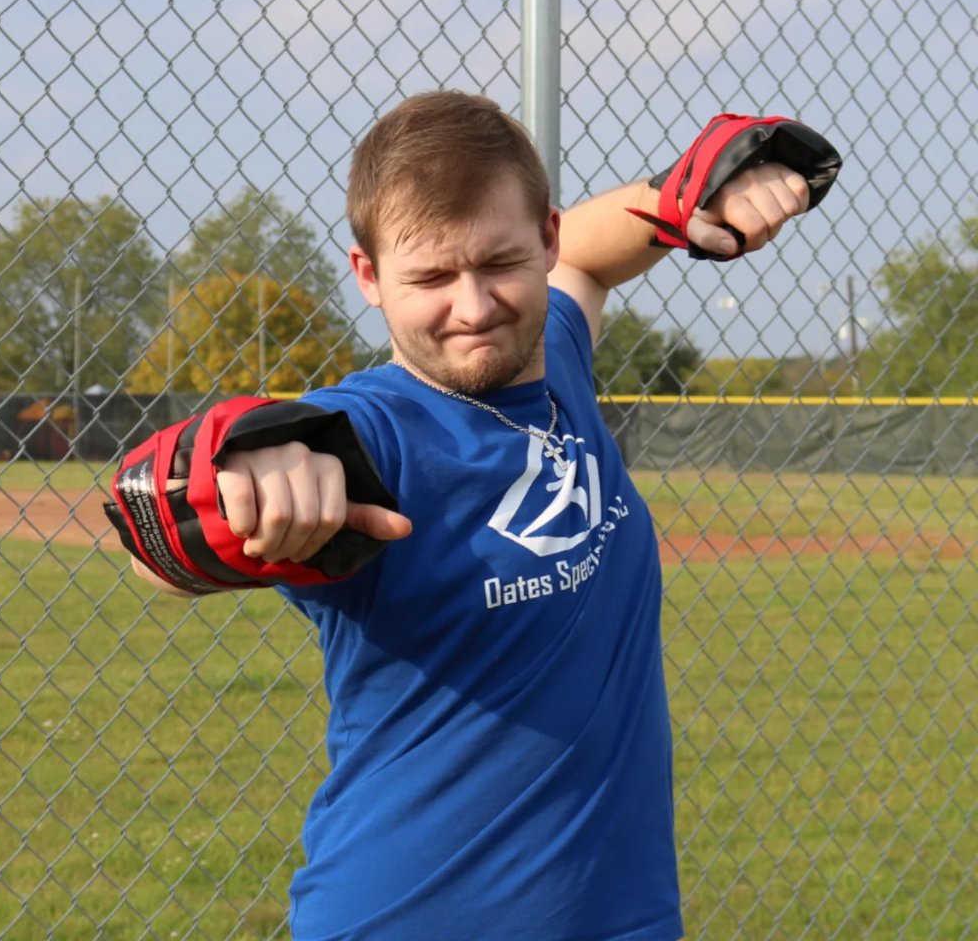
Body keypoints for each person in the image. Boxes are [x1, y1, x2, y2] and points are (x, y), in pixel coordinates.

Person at [128, 91, 816, 940]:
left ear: (547, 238)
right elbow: (162, 553)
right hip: (406, 916)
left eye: (500, 262)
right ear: (368, 277)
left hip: (622, 916)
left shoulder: (555, 354)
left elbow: (593, 264)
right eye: (429, 278)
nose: (474, 306)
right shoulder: (368, 435)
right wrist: (238, 464)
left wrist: (680, 202)